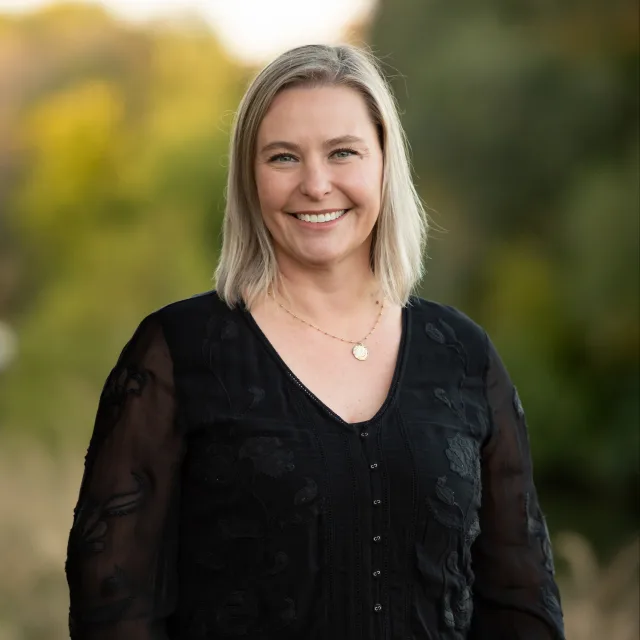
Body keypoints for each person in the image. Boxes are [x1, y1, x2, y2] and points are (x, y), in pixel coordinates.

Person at [65, 43, 566, 639]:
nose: (316, 184)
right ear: (250, 179)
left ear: (384, 163)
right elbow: (114, 607)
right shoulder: (178, 353)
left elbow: (522, 599)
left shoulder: (463, 354)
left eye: (343, 153)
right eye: (283, 157)